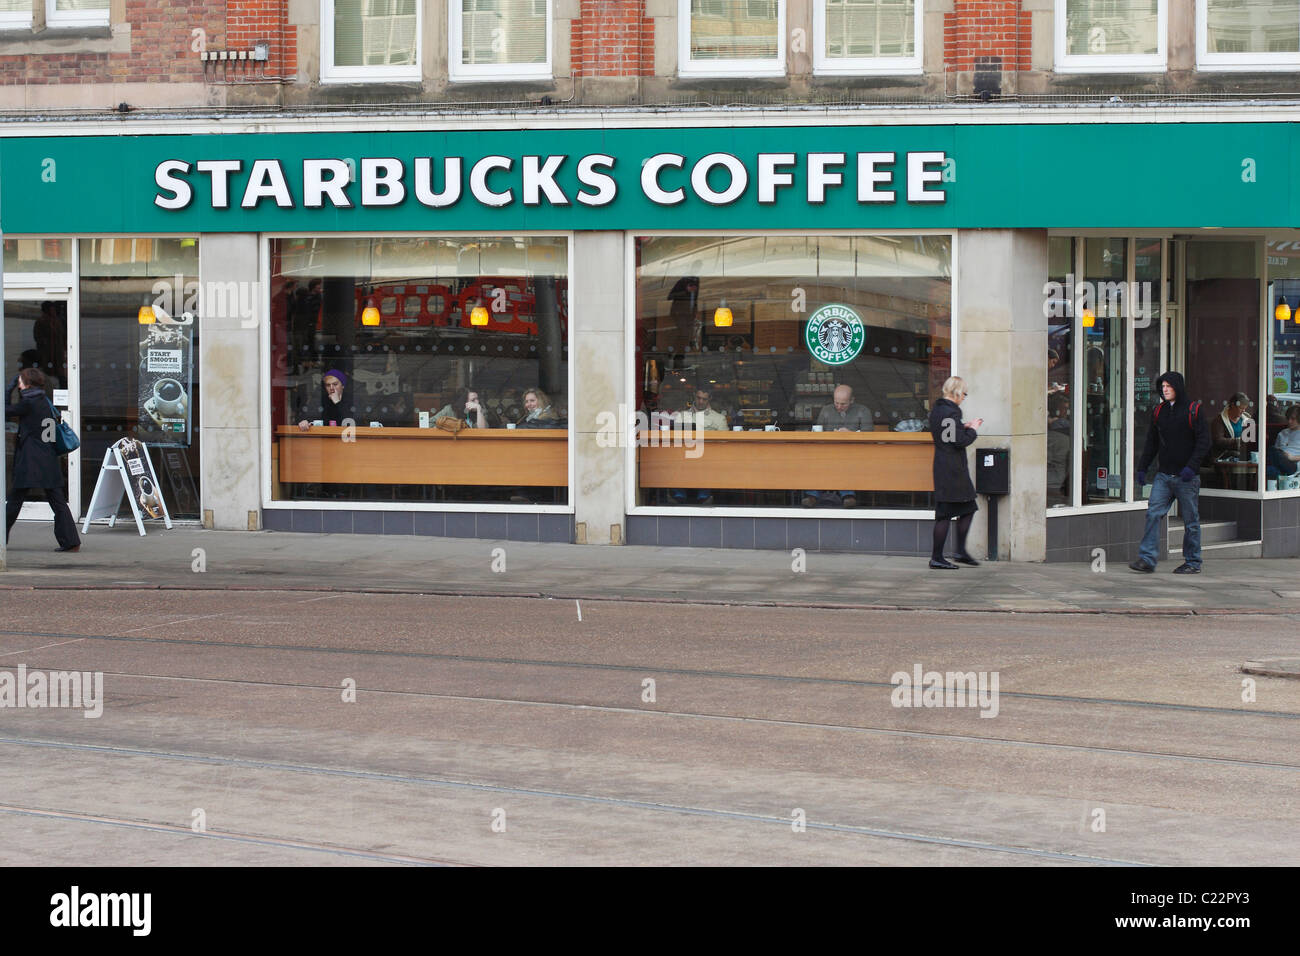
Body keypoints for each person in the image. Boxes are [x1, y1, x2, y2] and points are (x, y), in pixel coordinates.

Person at [1131, 371, 1211, 574]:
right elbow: (1152, 442)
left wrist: (1191, 467)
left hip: (1187, 477)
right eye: (1162, 386)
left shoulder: (1194, 410)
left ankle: (1193, 562)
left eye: (1169, 386)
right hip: (1164, 475)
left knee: (1191, 521)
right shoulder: (1159, 411)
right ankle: (1147, 559)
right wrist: (1143, 467)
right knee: (1152, 514)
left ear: (1178, 387)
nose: (1164, 389)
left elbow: (1204, 442)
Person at [5, 367, 81, 553]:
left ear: (27, 383)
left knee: (14, 501)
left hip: (30, 461)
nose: (19, 384)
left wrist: (9, 389)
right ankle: (71, 541)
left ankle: (0, 538)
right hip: (47, 458)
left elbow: (4, 410)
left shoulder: (28, 403)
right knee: (57, 501)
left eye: (21, 381)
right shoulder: (44, 401)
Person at [928, 376, 982, 569]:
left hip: (945, 466)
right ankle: (938, 557)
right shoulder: (951, 412)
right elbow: (957, 441)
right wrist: (973, 429)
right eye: (964, 394)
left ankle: (959, 552)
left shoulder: (938, 410)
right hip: (952, 470)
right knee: (945, 514)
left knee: (968, 508)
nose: (964, 398)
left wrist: (962, 426)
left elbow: (948, 434)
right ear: (957, 393)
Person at [803, 384, 873, 508]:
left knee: (842, 462)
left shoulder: (863, 411)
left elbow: (870, 437)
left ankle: (846, 495)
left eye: (843, 404)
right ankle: (813, 496)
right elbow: (817, 432)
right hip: (827, 451)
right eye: (836, 403)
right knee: (814, 460)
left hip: (854, 453)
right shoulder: (826, 410)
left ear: (852, 400)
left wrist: (850, 435)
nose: (839, 407)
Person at [671, 386, 727, 505]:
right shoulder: (681, 416)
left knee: (705, 462)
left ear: (709, 399)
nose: (701, 401)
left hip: (707, 457)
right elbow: (673, 439)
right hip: (683, 455)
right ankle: (678, 494)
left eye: (704, 399)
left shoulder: (718, 418)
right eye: (698, 398)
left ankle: (703, 495)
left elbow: (724, 443)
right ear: (694, 397)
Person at [1210, 392, 1256, 459]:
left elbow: (1252, 441)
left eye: (1245, 408)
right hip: (1223, 458)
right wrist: (1239, 442)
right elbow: (1218, 441)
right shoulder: (1219, 420)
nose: (1243, 411)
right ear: (1232, 405)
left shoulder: (1247, 419)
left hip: (1243, 457)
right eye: (1241, 408)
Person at [1046, 393, 1071, 506]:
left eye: (1066, 409)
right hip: (1062, 481)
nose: (1066, 412)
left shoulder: (1052, 436)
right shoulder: (1069, 434)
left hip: (1052, 482)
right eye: (1064, 409)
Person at [1268, 405, 1300, 477]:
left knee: (1272, 450)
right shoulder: (1283, 433)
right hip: (1279, 461)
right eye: (1288, 418)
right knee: (1270, 470)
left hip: (1293, 464)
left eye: (1293, 419)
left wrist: (1292, 457)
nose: (1289, 421)